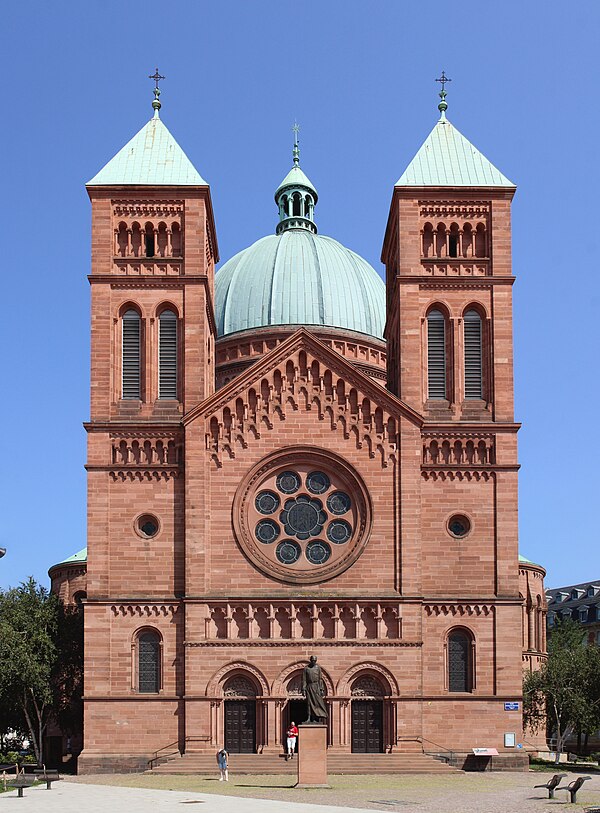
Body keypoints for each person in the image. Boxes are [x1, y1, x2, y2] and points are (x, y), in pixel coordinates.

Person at [302, 655, 328, 723]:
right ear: (310, 660)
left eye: (315, 661)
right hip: (309, 686)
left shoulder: (318, 668)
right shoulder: (306, 668)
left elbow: (320, 679)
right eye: (312, 660)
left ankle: (315, 718)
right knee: (309, 703)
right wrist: (303, 689)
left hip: (316, 686)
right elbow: (304, 679)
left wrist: (321, 689)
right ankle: (308, 718)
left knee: (316, 703)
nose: (314, 662)